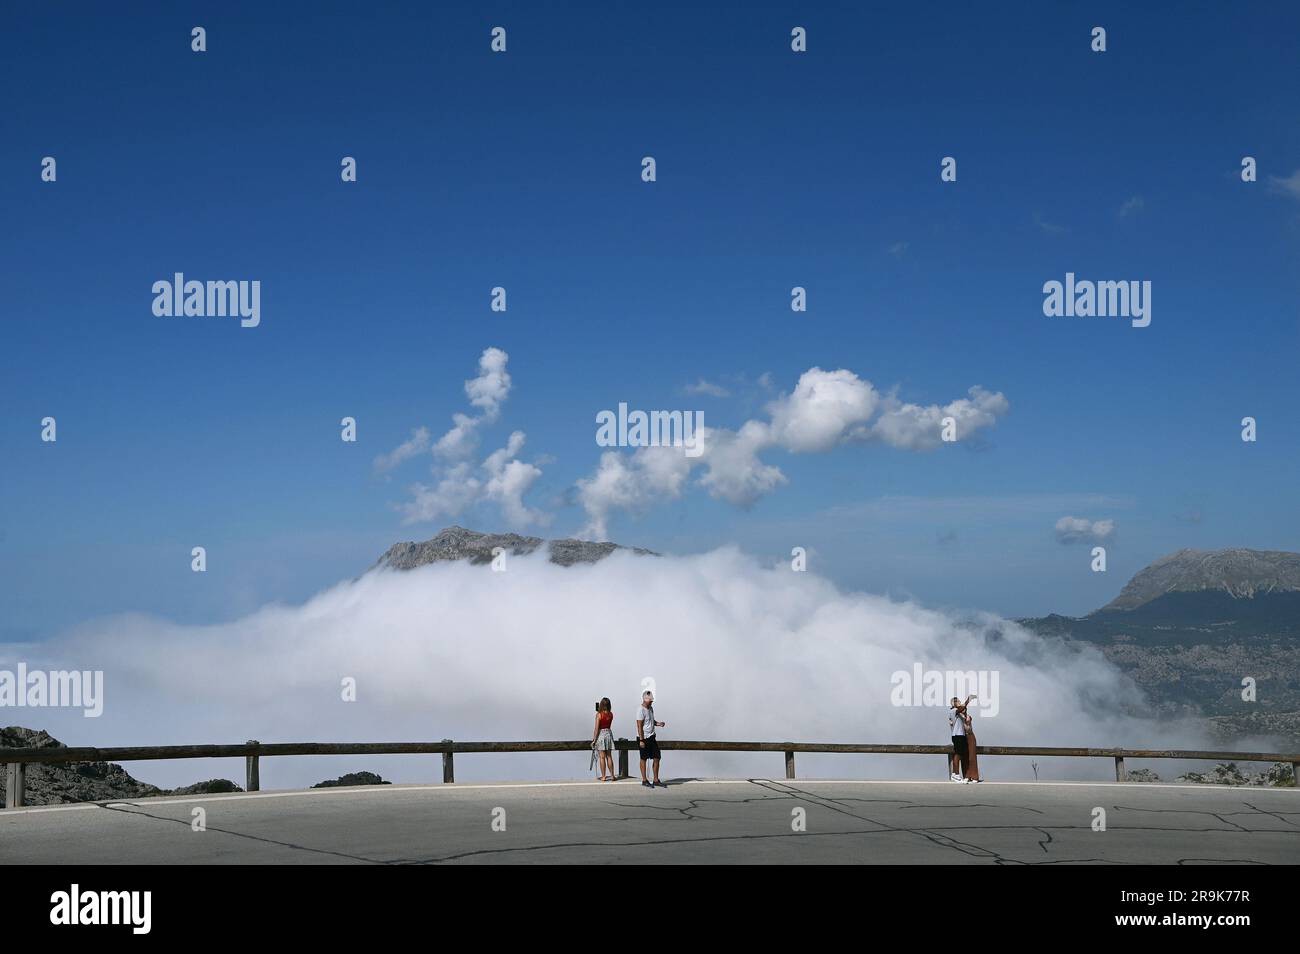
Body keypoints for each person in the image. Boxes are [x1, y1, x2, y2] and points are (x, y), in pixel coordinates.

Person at [637, 690, 666, 788]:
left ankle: (656, 780)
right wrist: (641, 740)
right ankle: (644, 780)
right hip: (644, 737)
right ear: (645, 699)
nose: (651, 701)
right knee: (643, 758)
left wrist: (658, 723)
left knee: (657, 757)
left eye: (651, 700)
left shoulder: (651, 708)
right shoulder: (640, 710)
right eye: (650, 700)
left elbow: (651, 720)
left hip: (652, 736)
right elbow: (639, 725)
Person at [948, 695, 975, 783]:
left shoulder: (960, 712)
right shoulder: (953, 710)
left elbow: (964, 712)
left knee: (960, 754)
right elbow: (962, 708)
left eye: (959, 701)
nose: (959, 702)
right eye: (957, 701)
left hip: (961, 735)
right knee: (957, 754)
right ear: (953, 703)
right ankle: (955, 774)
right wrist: (968, 701)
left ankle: (957, 775)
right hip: (957, 735)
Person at [958, 698, 981, 783]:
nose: (963, 710)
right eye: (962, 709)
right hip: (962, 738)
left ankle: (975, 777)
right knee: (964, 757)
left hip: (970, 737)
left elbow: (968, 727)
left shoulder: (968, 717)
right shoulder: (957, 716)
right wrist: (967, 700)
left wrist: (968, 700)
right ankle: (966, 776)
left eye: (965, 709)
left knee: (972, 757)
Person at [592, 697, 616, 781]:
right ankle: (612, 775)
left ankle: (603, 776)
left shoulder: (599, 715)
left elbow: (596, 729)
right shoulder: (611, 714)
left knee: (602, 757)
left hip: (601, 735)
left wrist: (594, 740)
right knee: (609, 756)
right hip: (609, 733)